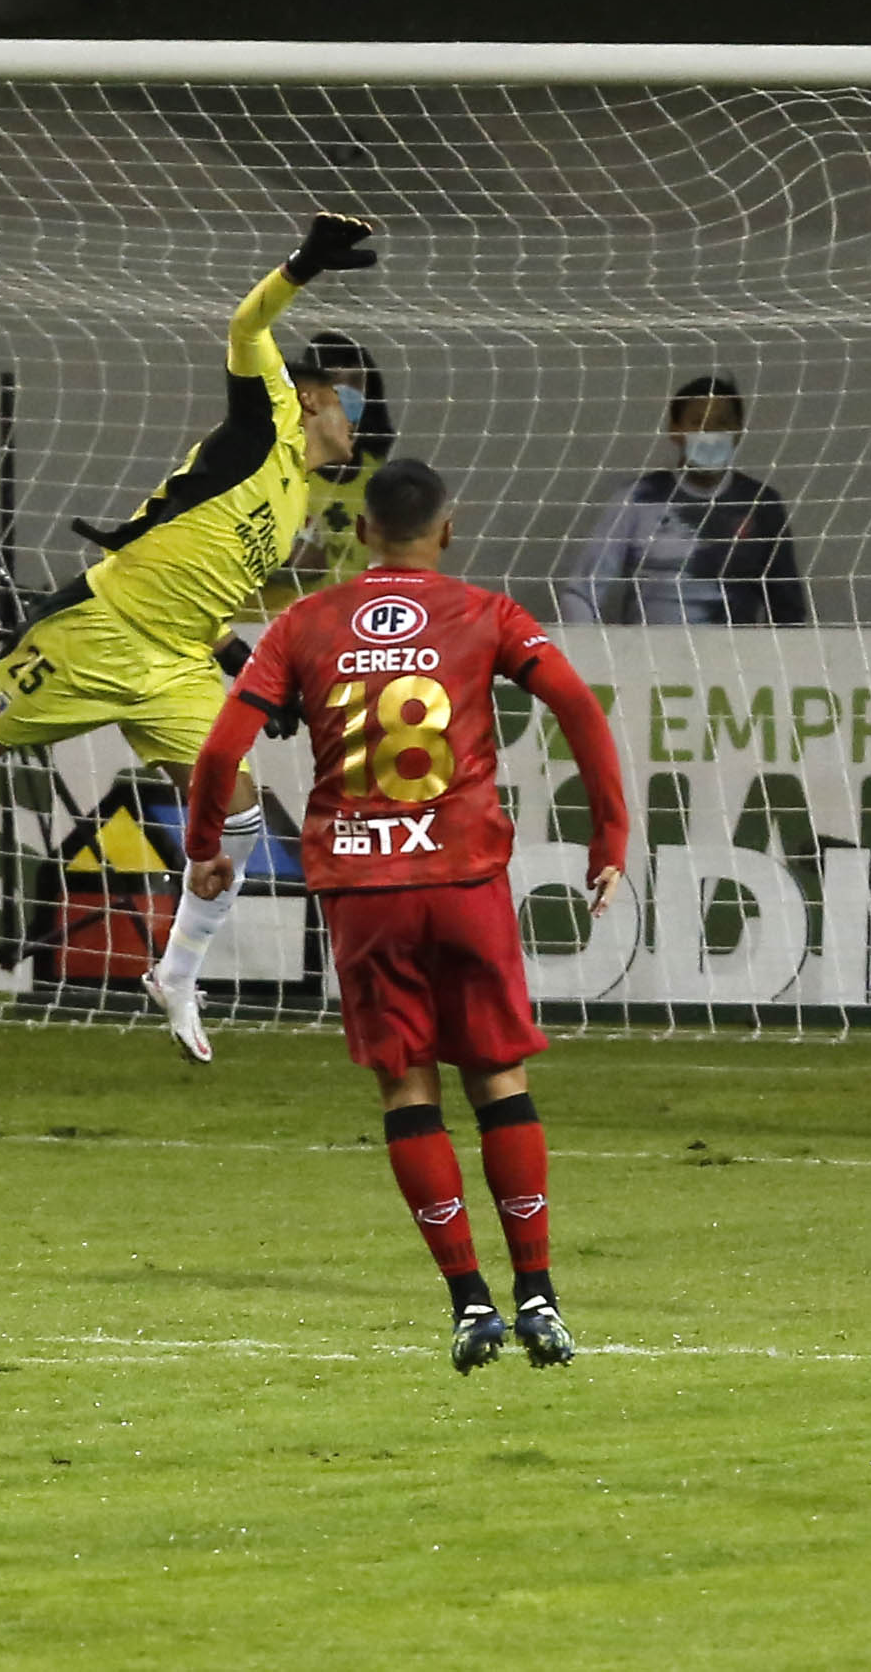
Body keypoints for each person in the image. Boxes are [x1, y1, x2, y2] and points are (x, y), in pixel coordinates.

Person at [0, 212, 380, 1062]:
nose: (358, 424)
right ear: (319, 397)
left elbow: (205, 586)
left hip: (176, 664)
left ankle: (176, 973)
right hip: (98, 629)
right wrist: (301, 265)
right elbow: (245, 323)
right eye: (352, 405)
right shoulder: (267, 418)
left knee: (242, 813)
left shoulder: (297, 500)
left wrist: (241, 663)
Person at [181, 459, 629, 1374]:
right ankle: (537, 1293)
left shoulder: (304, 622)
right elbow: (579, 706)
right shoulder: (489, 613)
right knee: (497, 1079)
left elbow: (224, 742)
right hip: (463, 877)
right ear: (446, 530)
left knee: (406, 1088)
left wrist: (201, 847)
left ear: (364, 533)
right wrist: (607, 838)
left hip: (361, 889)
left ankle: (470, 1305)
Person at [558, 373, 809, 626]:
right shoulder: (637, 499)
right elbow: (581, 594)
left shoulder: (762, 504)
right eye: (698, 422)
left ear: (738, 432)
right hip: (646, 657)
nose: (709, 434)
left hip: (736, 659)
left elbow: (787, 610)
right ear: (675, 430)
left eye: (721, 424)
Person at [251, 329, 399, 614]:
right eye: (333, 382)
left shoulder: (381, 480)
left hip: (346, 628)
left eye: (356, 382)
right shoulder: (278, 466)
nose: (347, 395)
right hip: (267, 625)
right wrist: (282, 558)